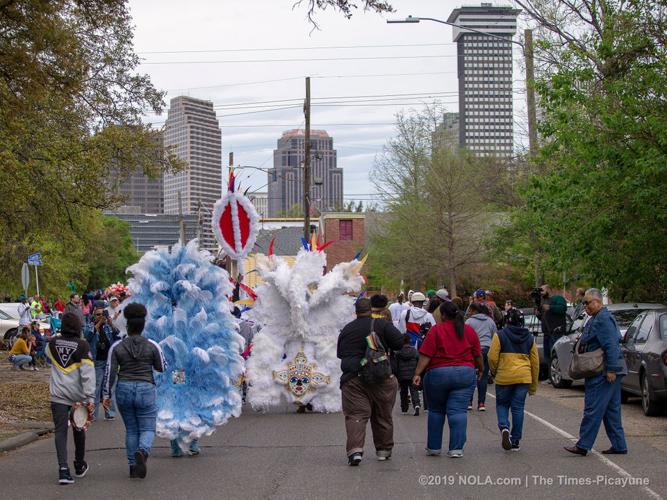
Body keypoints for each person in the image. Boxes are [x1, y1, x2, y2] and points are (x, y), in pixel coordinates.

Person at [337, 298, 403, 466]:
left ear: (356, 311)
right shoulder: (381, 325)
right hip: (381, 376)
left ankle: (355, 451)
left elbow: (341, 353)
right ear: (371, 309)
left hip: (354, 378)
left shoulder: (347, 329)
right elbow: (399, 343)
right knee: (383, 414)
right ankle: (383, 450)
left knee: (356, 415)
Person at [103, 303, 166, 478]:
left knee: (131, 429)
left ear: (127, 325)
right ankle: (143, 452)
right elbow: (162, 367)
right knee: (147, 428)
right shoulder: (152, 345)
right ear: (143, 325)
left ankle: (132, 466)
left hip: (124, 388)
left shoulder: (117, 347)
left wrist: (106, 396)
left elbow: (109, 372)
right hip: (146, 388)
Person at [413, 301, 483, 458]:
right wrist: (481, 370)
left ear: (443, 315)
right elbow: (477, 354)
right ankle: (456, 449)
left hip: (438, 374)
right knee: (458, 411)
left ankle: (434, 448)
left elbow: (426, 355)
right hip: (464, 373)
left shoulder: (436, 330)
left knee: (436, 411)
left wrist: (417, 373)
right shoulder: (469, 331)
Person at [565, 288, 628, 456]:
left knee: (593, 407)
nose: (585, 306)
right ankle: (619, 445)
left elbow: (611, 345)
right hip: (607, 369)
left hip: (603, 370)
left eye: (588, 302)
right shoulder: (597, 318)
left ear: (599, 302)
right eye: (584, 303)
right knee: (611, 410)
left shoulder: (603, 320)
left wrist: (612, 370)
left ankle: (583, 445)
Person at [46, 312, 95, 485]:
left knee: (60, 431)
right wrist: (90, 397)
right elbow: (87, 373)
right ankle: (79, 464)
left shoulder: (52, 343)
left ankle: (63, 469)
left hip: (58, 395)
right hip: (77, 397)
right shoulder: (82, 345)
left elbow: (47, 355)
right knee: (79, 429)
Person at [488, 307, 539, 452]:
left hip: (505, 376)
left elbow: (492, 356)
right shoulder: (530, 338)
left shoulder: (500, 335)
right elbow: (535, 363)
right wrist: (533, 386)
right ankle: (515, 440)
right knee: (518, 408)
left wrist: (494, 371)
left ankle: (504, 427)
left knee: (502, 404)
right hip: (523, 377)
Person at [85, 306, 120, 420]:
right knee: (96, 388)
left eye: (102, 314)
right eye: (98, 314)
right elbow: (88, 336)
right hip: (97, 362)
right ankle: (93, 414)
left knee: (109, 388)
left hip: (109, 362)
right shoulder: (90, 326)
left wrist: (111, 323)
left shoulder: (108, 327)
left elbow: (118, 336)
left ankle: (110, 413)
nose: (101, 316)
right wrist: (99, 323)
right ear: (93, 316)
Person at [465, 302, 497, 411]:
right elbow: (494, 336)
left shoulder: (469, 322)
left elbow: (465, 336)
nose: (469, 312)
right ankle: (481, 403)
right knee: (483, 376)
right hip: (487, 349)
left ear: (474, 311)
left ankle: (469, 401)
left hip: (473, 350)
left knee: (470, 375)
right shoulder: (490, 321)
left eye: (470, 310)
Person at [536, 285, 568, 371]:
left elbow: (563, 308)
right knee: (548, 355)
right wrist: (538, 314)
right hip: (547, 333)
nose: (541, 293)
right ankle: (551, 375)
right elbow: (544, 317)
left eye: (542, 290)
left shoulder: (557, 298)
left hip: (556, 331)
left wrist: (550, 307)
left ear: (548, 290)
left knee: (556, 354)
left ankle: (561, 373)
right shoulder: (544, 302)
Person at [394, 334, 420, 415]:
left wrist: (396, 375)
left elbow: (396, 365)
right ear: (409, 341)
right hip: (412, 374)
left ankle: (404, 408)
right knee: (414, 390)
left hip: (402, 375)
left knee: (403, 392)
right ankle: (416, 405)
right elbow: (418, 361)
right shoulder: (415, 351)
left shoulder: (398, 352)